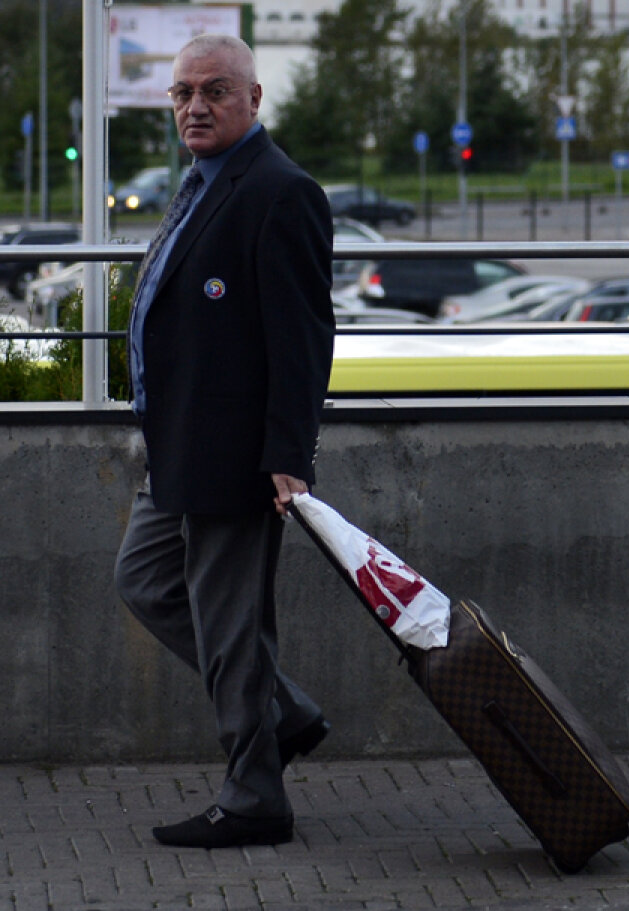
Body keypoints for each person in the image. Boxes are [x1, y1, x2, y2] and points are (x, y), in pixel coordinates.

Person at [114, 33, 335, 849]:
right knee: (142, 579)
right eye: (181, 94)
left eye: (213, 91)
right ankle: (284, 712)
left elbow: (303, 336)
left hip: (234, 456)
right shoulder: (203, 183)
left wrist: (288, 455)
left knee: (232, 625)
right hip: (177, 449)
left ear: (253, 98)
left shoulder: (280, 191)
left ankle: (254, 798)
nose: (194, 107)